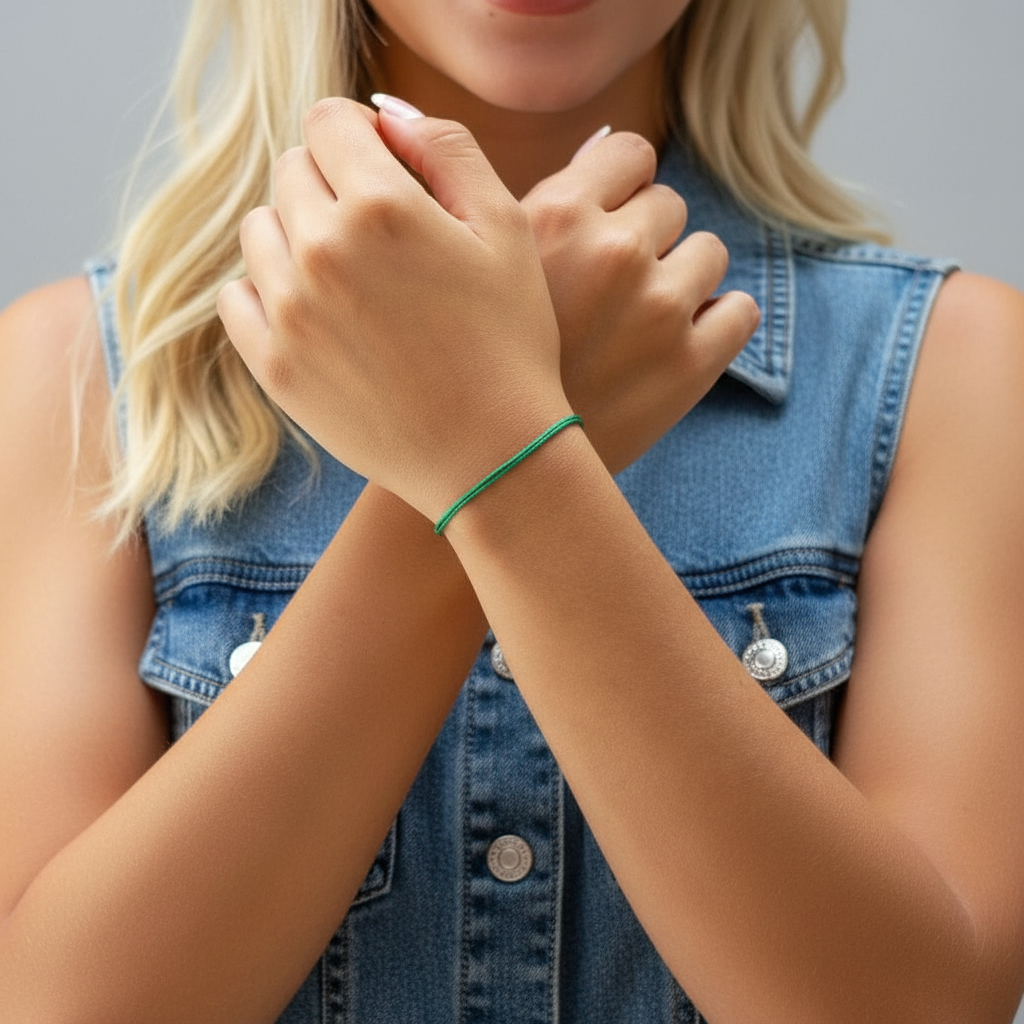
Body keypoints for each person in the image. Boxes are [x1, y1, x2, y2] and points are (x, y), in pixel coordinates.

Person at [1, 0, 1022, 1021]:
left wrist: (495, 446)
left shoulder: (951, 371)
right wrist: (500, 425)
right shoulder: (71, 375)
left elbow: (919, 1008)